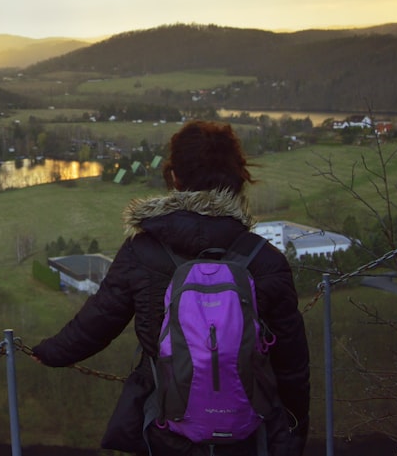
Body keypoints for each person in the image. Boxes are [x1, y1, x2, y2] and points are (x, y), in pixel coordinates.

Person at [32, 120, 310, 456]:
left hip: (167, 429)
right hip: (250, 434)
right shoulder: (265, 259)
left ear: (175, 178)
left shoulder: (143, 251)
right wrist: (294, 433)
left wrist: (45, 352)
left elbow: (97, 323)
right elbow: (292, 364)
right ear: (238, 180)